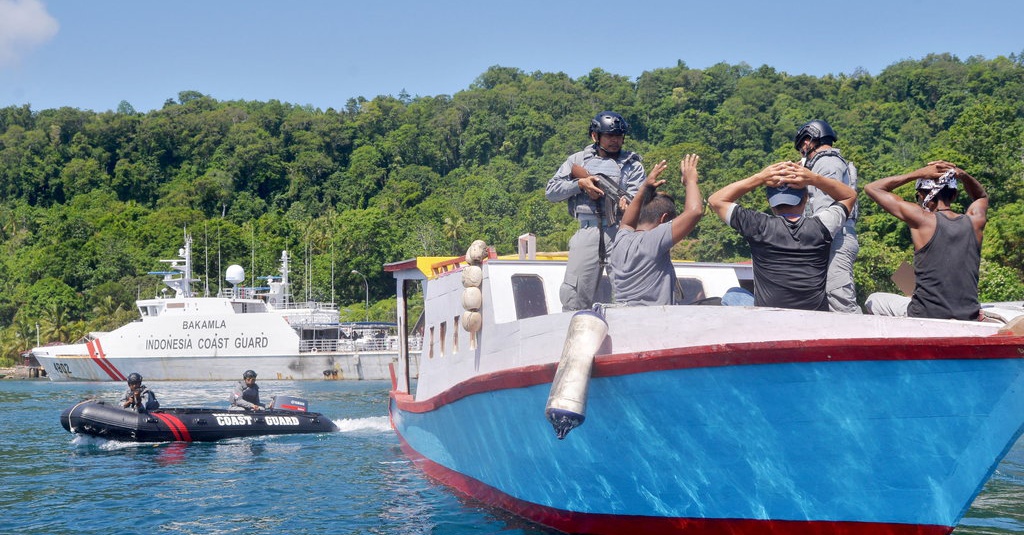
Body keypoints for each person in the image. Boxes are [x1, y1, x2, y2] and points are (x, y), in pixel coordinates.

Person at [707, 160, 857, 311]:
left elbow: (715, 200)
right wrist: (813, 179)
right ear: (805, 199)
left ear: (770, 203)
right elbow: (849, 196)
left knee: (733, 295)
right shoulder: (822, 226)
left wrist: (759, 178)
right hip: (813, 317)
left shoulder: (758, 226)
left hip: (770, 318)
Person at [546, 111, 646, 311]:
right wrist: (580, 184)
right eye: (609, 136)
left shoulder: (632, 165)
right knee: (574, 296)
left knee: (627, 295)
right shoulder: (577, 160)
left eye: (618, 136)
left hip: (620, 232)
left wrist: (628, 205)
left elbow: (639, 198)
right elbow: (551, 192)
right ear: (595, 136)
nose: (615, 141)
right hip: (587, 230)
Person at [863, 161, 988, 320]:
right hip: (968, 314)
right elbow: (981, 196)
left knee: (873, 299)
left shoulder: (921, 219)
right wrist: (961, 174)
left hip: (925, 314)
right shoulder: (974, 221)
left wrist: (918, 173)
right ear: (954, 195)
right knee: (908, 282)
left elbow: (872, 188)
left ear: (922, 195)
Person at [608, 154, 704, 306]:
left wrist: (644, 187)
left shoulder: (620, 240)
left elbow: (627, 222)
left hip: (624, 318)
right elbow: (695, 211)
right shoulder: (653, 240)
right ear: (664, 219)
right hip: (654, 322)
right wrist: (691, 181)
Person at [795, 119, 862, 314]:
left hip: (835, 237)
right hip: (836, 236)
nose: (802, 153)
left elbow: (827, 209)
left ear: (809, 140)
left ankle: (857, 339)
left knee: (839, 298)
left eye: (801, 147)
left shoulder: (826, 161)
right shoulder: (827, 162)